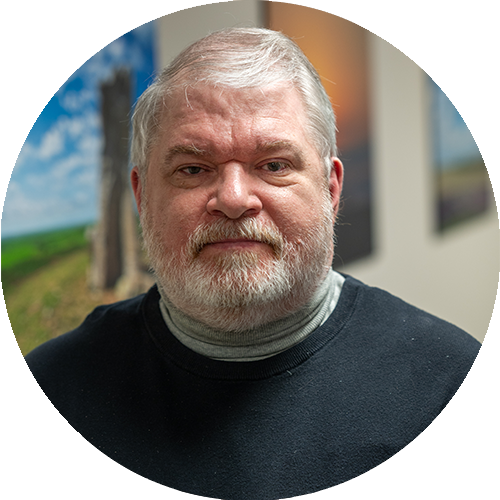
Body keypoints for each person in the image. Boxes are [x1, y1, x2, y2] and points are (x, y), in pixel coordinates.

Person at [25, 28, 480, 500]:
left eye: (274, 165)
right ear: (142, 198)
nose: (234, 199)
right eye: (193, 169)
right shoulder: (50, 393)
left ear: (330, 190)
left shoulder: (452, 386)